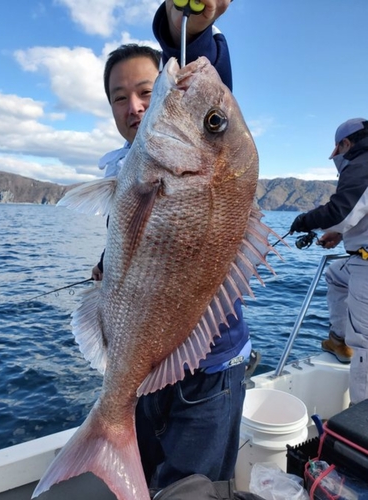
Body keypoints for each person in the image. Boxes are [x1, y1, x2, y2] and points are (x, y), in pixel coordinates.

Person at [91, 0, 255, 489]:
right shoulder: (130, 166)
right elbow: (149, 247)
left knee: (194, 491)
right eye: (120, 98)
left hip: (209, 376)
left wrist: (192, 27)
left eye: (147, 90)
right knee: (150, 480)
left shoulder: (178, 161)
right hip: (145, 373)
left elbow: (206, 84)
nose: (135, 106)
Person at [290, 117, 368, 405]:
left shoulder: (360, 163)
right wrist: (338, 234)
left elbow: (342, 210)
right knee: (336, 273)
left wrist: (303, 220)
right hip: (359, 255)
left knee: (365, 348)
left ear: (346, 144)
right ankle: (339, 340)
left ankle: (360, 436)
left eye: (337, 152)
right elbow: (360, 210)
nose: (337, 158)